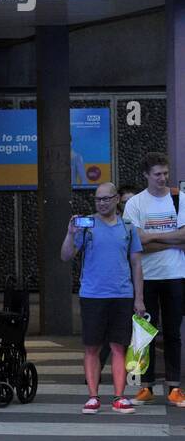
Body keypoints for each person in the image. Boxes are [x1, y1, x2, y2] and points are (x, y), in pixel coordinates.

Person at [60, 183, 145, 413]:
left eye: (107, 199)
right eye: (98, 199)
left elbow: (137, 264)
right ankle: (93, 397)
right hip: (92, 295)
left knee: (119, 347)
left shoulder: (128, 227)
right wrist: (70, 234)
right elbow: (66, 256)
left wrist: (139, 299)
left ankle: (119, 397)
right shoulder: (86, 226)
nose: (102, 203)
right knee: (92, 347)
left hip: (122, 295)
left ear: (117, 199)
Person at [123, 153, 185, 406]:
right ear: (146, 175)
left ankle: (174, 387)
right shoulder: (135, 204)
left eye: (165, 173)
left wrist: (150, 238)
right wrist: (173, 239)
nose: (163, 178)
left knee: (172, 333)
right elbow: (134, 242)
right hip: (144, 277)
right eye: (157, 174)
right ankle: (144, 386)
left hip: (175, 276)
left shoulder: (179, 200)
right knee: (143, 333)